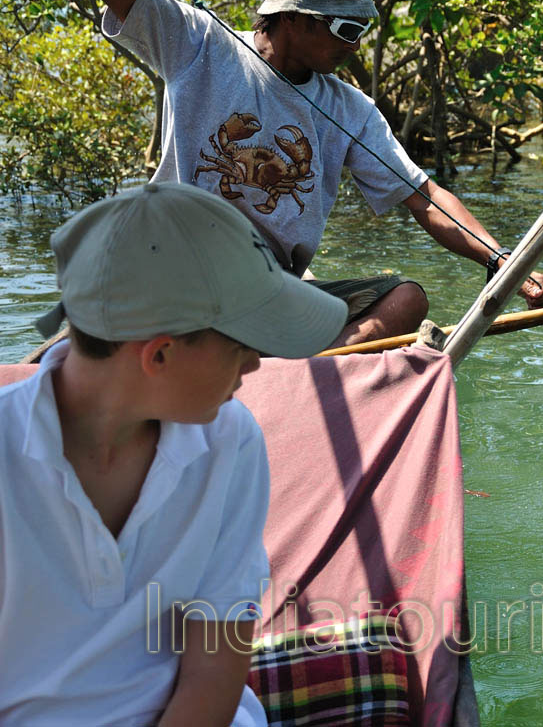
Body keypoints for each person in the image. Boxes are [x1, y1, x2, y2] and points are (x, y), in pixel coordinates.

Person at [51, 0, 543, 348]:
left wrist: (501, 258)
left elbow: (425, 198)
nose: (355, 45)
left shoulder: (350, 109)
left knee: (407, 300)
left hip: (269, 295)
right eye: (345, 27)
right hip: (175, 275)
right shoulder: (198, 42)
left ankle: (306, 371)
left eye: (362, 29)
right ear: (291, 14)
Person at [0, 182, 347, 725]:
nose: (255, 366)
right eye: (241, 344)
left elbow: (214, 669)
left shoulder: (230, 441)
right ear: (159, 354)